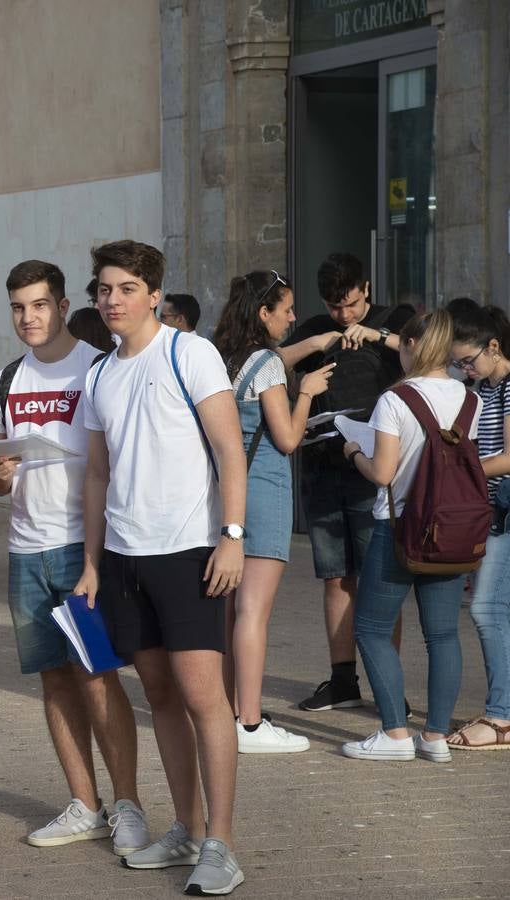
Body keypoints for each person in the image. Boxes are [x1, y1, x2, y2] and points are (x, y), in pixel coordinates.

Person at [75, 240, 247, 895]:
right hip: (124, 559)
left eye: (123, 288)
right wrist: (91, 563)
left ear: (153, 294)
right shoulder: (98, 373)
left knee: (207, 698)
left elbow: (230, 449)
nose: (111, 300)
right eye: (103, 289)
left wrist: (231, 536)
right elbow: (97, 472)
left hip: (190, 552)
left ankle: (221, 845)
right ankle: (185, 827)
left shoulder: (188, 352)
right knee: (162, 697)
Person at [0, 260, 147, 856]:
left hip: (85, 549)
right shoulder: (3, 382)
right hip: (26, 552)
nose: (29, 318)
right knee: (54, 682)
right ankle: (85, 803)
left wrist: (99, 559)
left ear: (60, 305)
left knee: (98, 679)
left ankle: (127, 803)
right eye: (18, 307)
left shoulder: (97, 370)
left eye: (40, 305)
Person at [341, 310, 479, 763]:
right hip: (452, 531)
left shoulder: (396, 399)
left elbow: (383, 472)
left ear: (414, 345)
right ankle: (436, 736)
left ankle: (396, 734)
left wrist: (355, 450)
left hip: (398, 529)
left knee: (371, 628)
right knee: (442, 636)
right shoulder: (467, 399)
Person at [279, 252, 414, 712]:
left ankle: (386, 684)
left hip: (374, 471)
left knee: (379, 578)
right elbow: (269, 364)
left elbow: (432, 354)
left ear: (366, 289)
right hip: (323, 468)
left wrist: (378, 334)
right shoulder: (319, 326)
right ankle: (343, 681)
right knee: (337, 577)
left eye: (352, 304)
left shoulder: (394, 319)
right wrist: (317, 339)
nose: (345, 314)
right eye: (336, 307)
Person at [211, 271, 334, 753]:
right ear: (263, 313)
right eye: (285, 309)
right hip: (262, 491)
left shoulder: (223, 358)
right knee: (253, 614)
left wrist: (307, 348)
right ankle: (250, 722)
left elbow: (274, 358)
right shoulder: (267, 365)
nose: (293, 318)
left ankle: (224, 711)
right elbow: (286, 437)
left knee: (227, 612)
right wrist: (306, 393)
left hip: (225, 494)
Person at [446, 304, 510, 749]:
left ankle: (502, 718)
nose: (465, 369)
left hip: (503, 514)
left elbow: (509, 457)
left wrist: (457, 475)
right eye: (459, 363)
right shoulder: (485, 390)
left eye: (469, 360)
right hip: (488, 514)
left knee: (486, 611)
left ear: (493, 346)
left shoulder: (507, 387)